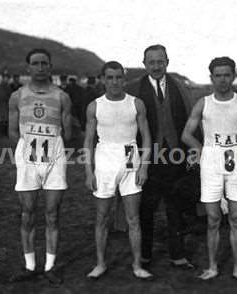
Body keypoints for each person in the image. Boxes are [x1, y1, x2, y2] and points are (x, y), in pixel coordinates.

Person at [181, 57, 237, 282]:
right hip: (211, 164)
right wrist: (201, 150)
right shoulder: (203, 103)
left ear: (234, 76)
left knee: (236, 217)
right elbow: (186, 134)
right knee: (213, 218)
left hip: (236, 163)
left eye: (227, 74)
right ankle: (212, 267)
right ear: (211, 78)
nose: (223, 79)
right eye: (218, 75)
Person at [125, 44, 197, 269]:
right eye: (151, 62)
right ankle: (144, 254)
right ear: (144, 63)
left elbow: (190, 118)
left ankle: (178, 255)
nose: (156, 66)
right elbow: (126, 127)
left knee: (177, 206)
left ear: (167, 62)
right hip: (146, 157)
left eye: (160, 61)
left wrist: (193, 150)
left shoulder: (179, 87)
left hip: (176, 156)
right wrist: (131, 161)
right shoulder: (134, 89)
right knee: (145, 207)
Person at [7, 48, 72, 285]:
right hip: (27, 162)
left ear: (50, 66)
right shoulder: (17, 96)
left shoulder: (62, 96)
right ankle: (30, 266)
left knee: (52, 214)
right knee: (27, 214)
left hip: (54, 160)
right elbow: (12, 130)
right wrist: (27, 151)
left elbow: (68, 131)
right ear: (28, 68)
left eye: (45, 63)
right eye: (36, 63)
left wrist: (52, 145)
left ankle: (50, 267)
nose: (41, 67)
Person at [84, 61, 153, 280]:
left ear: (124, 79)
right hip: (104, 160)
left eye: (118, 77)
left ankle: (136, 265)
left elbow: (147, 138)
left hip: (130, 159)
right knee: (102, 217)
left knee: (133, 218)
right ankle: (101, 263)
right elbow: (87, 141)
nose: (114, 82)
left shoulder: (136, 104)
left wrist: (144, 166)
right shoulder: (95, 106)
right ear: (104, 79)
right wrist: (88, 171)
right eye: (110, 77)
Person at [0, 72, 12, 138]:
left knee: (6, 120)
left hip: (6, 105)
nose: (7, 79)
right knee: (3, 120)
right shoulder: (2, 86)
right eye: (6, 78)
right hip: (3, 105)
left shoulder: (7, 86)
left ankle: (5, 134)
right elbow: (2, 96)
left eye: (8, 78)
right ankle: (2, 134)